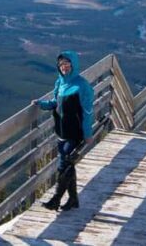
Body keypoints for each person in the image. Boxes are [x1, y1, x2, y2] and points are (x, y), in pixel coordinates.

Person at [32, 50, 94, 211]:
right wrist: (41, 104)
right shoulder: (60, 83)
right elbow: (55, 102)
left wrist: (88, 135)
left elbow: (88, 112)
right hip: (61, 132)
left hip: (75, 133)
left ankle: (56, 199)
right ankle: (73, 199)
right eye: (61, 64)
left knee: (64, 165)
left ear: (73, 65)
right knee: (69, 165)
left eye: (67, 64)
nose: (64, 67)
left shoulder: (82, 85)